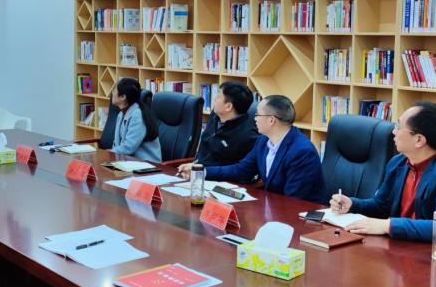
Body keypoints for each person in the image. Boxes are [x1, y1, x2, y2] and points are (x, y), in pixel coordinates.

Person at [329, 101, 436, 242]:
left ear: (419, 140)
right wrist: (352, 205)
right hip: (402, 246)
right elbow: (381, 206)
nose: (394, 132)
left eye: (398, 126)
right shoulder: (398, 163)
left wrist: (388, 226)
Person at [179, 95, 325, 202]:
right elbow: (242, 170)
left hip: (302, 219)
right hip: (275, 209)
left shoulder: (301, 152)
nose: (254, 119)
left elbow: (293, 201)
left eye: (257, 115)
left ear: (271, 120)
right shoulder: (263, 141)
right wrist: (202, 171)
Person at [193, 82, 259, 167]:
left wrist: (201, 169)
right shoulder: (215, 115)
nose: (214, 99)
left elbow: (239, 170)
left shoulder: (248, 136)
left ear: (228, 107)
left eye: (218, 96)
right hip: (197, 169)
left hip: (214, 174)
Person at [110, 78, 162, 162]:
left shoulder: (137, 115)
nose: (112, 93)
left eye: (114, 90)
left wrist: (108, 154)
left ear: (123, 97)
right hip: (128, 161)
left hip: (147, 164)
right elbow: (117, 143)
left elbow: (129, 147)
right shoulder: (121, 114)